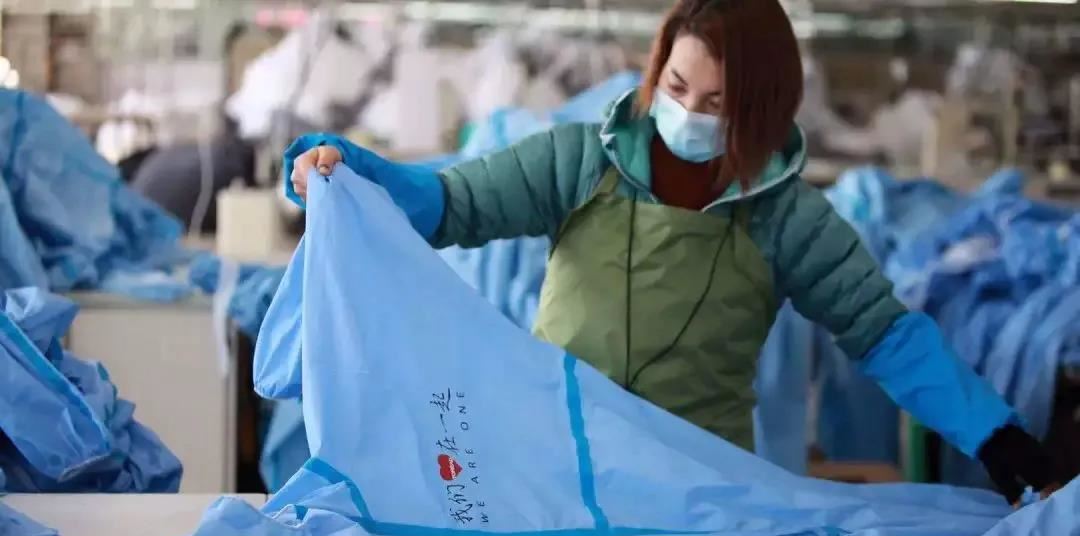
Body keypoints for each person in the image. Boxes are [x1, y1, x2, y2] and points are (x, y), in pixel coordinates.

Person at [282, 0, 1061, 505]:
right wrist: (354, 175)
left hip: (701, 491)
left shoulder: (787, 217)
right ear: (658, 70)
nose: (688, 112)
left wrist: (993, 434)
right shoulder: (576, 162)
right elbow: (452, 204)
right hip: (552, 468)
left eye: (717, 103)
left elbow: (883, 332)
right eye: (678, 87)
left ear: (760, 110)